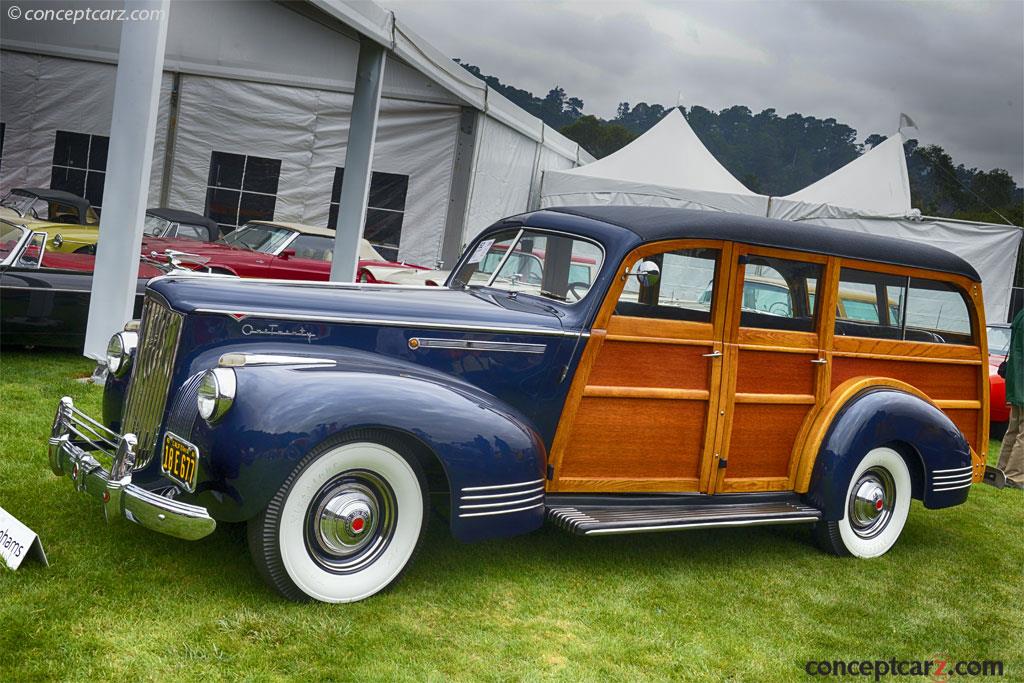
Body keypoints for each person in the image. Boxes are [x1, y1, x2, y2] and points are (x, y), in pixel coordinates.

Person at [996, 308, 1024, 489]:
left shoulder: (1020, 314)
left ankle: (1002, 470)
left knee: (1013, 429)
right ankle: (1015, 476)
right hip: (1021, 381)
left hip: (1016, 381)